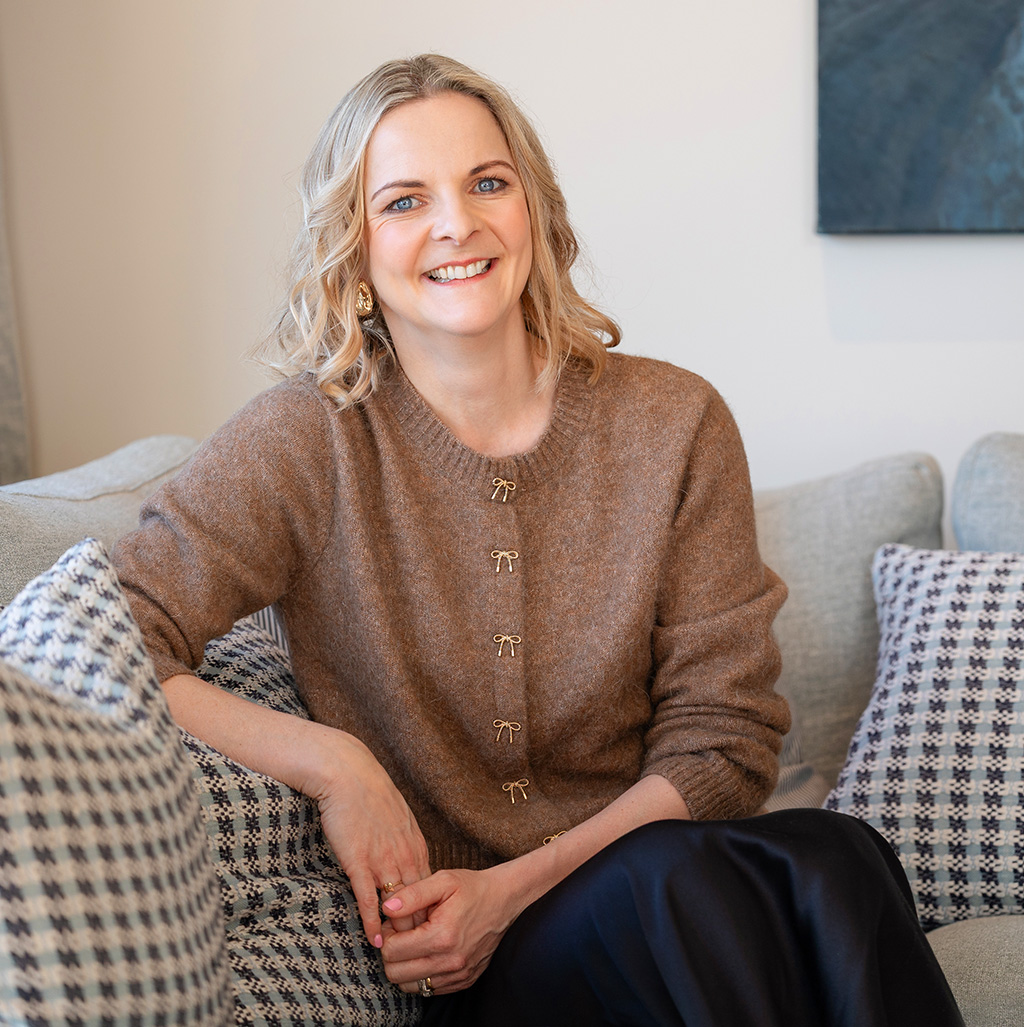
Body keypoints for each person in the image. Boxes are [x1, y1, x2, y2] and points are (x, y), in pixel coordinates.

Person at [113, 54, 964, 1026]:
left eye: (487, 183)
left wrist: (512, 887)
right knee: (694, 888)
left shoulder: (676, 421)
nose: (456, 224)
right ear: (354, 250)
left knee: (839, 853)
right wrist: (333, 763)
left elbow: (724, 745)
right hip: (474, 970)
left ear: (535, 210)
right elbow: (109, 633)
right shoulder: (306, 440)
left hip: (650, 892)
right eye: (403, 201)